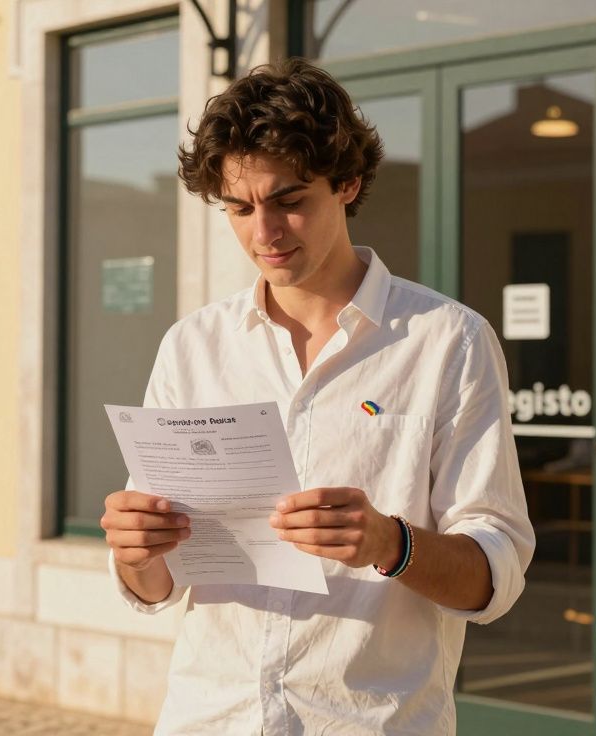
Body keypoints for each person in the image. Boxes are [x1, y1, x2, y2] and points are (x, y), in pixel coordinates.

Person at [101, 57, 535, 735]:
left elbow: (494, 576)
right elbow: (157, 587)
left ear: (348, 183)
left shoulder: (449, 341)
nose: (263, 232)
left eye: (289, 201)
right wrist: (135, 552)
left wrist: (390, 542)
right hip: (208, 719)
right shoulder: (192, 347)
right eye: (239, 207)